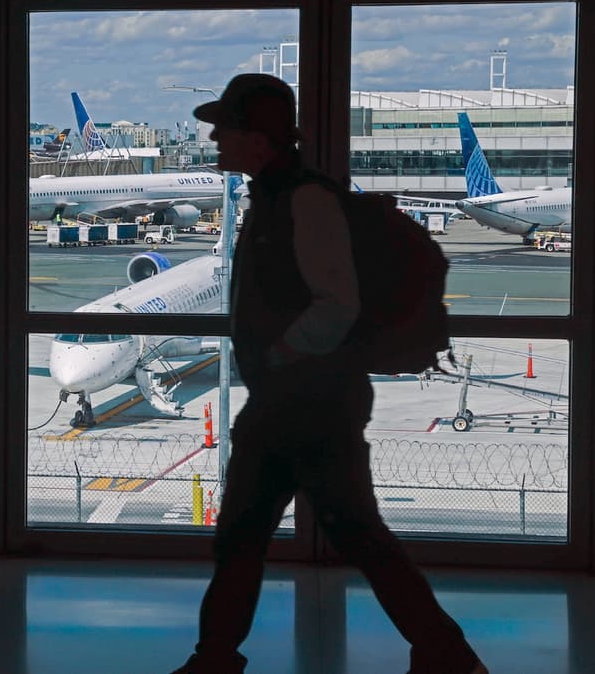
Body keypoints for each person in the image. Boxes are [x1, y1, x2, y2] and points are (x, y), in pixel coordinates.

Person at [170, 74, 487, 674]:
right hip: (291, 400)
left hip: (309, 403)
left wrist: (284, 353)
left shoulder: (303, 200)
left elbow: (335, 302)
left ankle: (447, 654)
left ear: (257, 138)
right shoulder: (270, 196)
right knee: (255, 536)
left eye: (225, 126)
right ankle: (215, 657)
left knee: (314, 536)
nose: (213, 136)